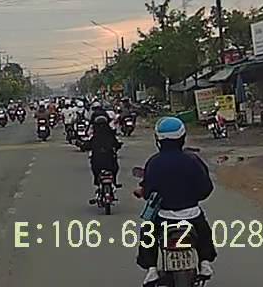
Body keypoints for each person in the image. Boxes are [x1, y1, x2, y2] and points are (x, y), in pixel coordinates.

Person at [134, 117, 217, 286]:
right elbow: (206, 188)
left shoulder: (154, 162)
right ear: (182, 138)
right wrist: (192, 199)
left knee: (147, 233)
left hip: (164, 217)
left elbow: (148, 192)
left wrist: (144, 192)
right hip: (192, 215)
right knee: (204, 234)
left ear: (158, 140)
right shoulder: (193, 160)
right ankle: (205, 264)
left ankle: (151, 270)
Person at [87, 113, 122, 191]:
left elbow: (88, 145)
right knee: (115, 168)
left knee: (95, 168)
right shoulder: (110, 134)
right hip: (109, 160)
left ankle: (97, 181)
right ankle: (114, 182)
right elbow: (116, 144)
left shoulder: (95, 136)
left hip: (97, 161)